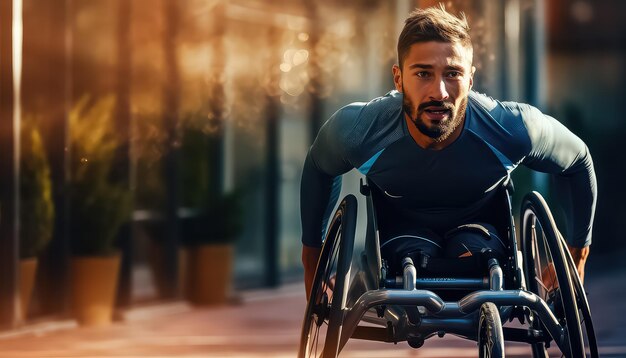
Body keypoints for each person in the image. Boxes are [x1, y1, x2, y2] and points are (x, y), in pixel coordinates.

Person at [300, 5, 596, 296]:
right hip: (399, 240)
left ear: (470, 79)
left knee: (483, 260)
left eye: (452, 74)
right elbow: (319, 166)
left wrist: (577, 253)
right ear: (398, 78)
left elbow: (578, 159)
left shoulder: (514, 128)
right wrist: (312, 264)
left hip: (481, 235)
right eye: (423, 74)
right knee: (409, 261)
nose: (439, 92)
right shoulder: (359, 131)